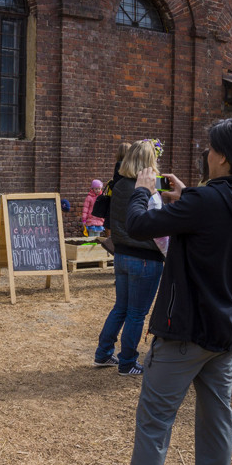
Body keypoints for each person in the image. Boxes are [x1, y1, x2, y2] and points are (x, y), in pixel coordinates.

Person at [86, 117, 232, 465]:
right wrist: (185, 196)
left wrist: (143, 190)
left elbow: (137, 225)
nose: (205, 154)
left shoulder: (207, 201)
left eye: (210, 148)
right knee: (216, 421)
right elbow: (218, 218)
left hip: (186, 329)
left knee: (154, 423)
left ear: (224, 157)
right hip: (228, 331)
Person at [92, 140, 164, 376]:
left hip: (122, 254)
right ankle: (128, 362)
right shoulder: (145, 190)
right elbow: (157, 226)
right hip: (145, 257)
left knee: (121, 308)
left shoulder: (120, 184)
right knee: (136, 313)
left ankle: (103, 353)